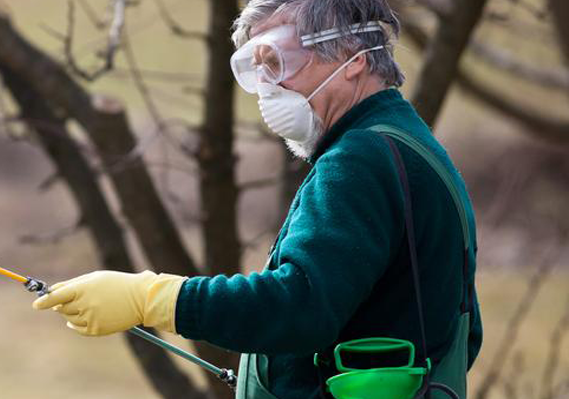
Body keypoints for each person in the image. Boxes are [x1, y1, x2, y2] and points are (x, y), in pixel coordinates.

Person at [31, 1, 481, 398]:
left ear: (351, 57)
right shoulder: (409, 145)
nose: (266, 86)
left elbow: (300, 306)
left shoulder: (361, 158)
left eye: (278, 61)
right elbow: (465, 333)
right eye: (255, 66)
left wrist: (153, 298)